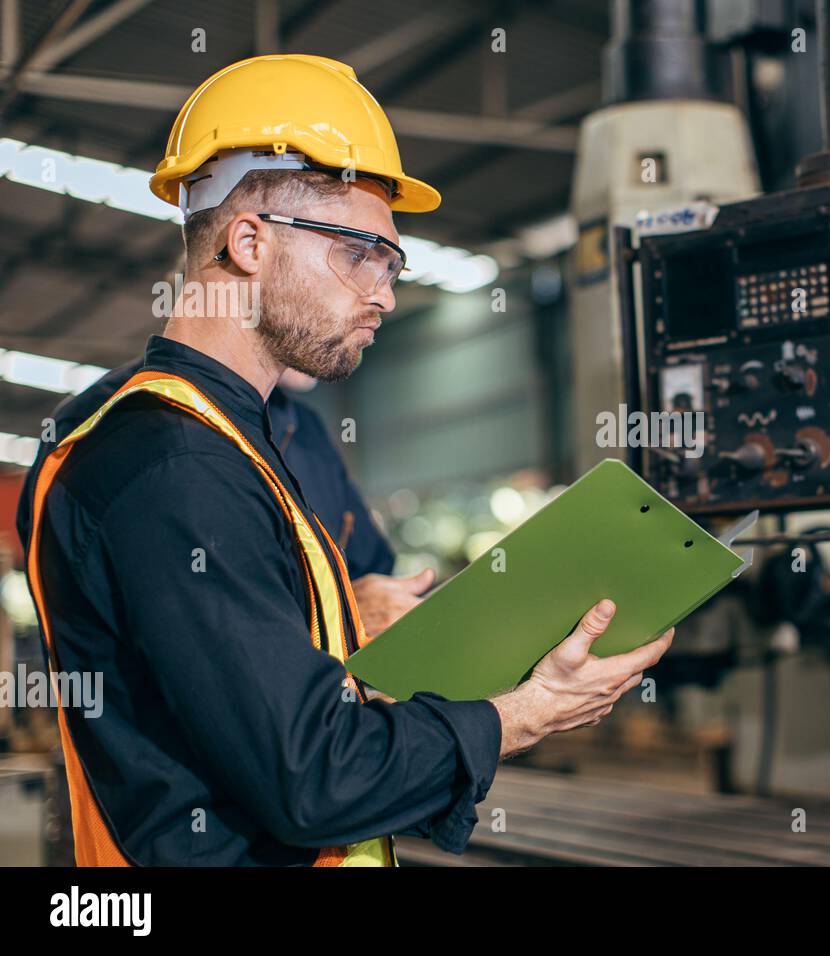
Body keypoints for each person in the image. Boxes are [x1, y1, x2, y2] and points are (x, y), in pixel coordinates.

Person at [23, 53, 672, 866]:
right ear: (251, 241)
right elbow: (315, 777)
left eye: (391, 262)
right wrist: (527, 712)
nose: (385, 292)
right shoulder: (170, 465)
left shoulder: (228, 445)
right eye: (360, 251)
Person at [16, 361, 430, 637]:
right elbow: (190, 627)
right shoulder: (131, 421)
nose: (377, 299)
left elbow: (371, 571)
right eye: (349, 259)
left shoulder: (304, 427)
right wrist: (339, 615)